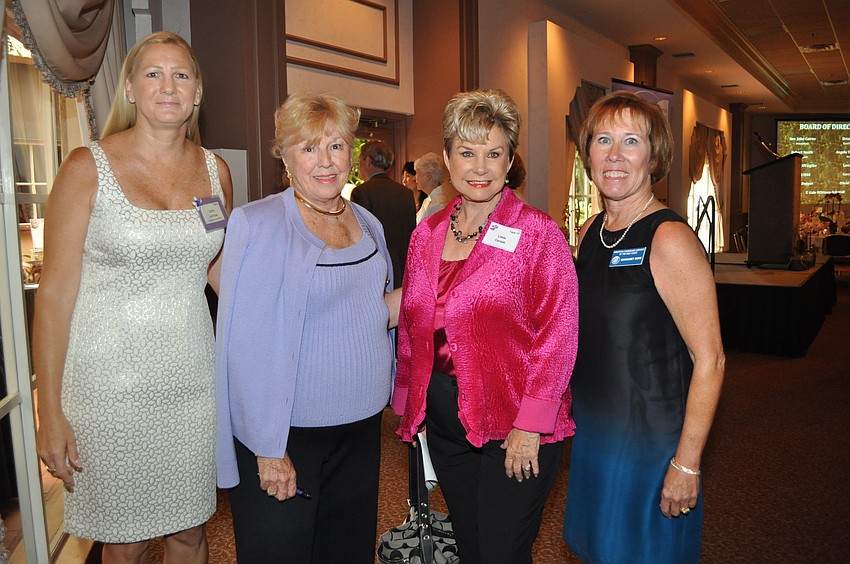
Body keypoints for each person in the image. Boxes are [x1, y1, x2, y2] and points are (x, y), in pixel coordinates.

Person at [33, 31, 232, 562]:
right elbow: (52, 297)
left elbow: (216, 267)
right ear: (129, 87)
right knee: (128, 542)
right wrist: (48, 411)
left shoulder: (216, 173)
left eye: (181, 74)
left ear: (197, 91)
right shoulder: (85, 167)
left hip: (192, 384)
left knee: (190, 531)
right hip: (108, 390)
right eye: (153, 73)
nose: (168, 86)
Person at [392, 89, 579, 564]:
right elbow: (415, 324)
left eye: (493, 154)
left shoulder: (539, 233)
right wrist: (411, 407)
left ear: (510, 159)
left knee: (501, 551)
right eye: (468, 153)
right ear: (449, 157)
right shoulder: (427, 233)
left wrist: (531, 423)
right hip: (444, 420)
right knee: (471, 546)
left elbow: (558, 335)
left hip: (514, 423)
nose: (480, 167)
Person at [215, 92, 399, 564]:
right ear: (285, 155)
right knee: (282, 552)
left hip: (360, 426)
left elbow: (373, 309)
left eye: (335, 146)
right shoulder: (257, 224)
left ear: (351, 154)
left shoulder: (368, 222)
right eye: (308, 147)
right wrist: (267, 447)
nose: (325, 161)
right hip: (288, 432)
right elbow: (242, 346)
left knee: (346, 551)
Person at [563, 91, 725, 563]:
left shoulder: (670, 238)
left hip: (651, 449)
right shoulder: (591, 231)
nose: (615, 155)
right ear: (588, 153)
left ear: (654, 157)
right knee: (595, 549)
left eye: (631, 141)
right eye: (603, 140)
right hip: (595, 436)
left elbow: (710, 360)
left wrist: (687, 463)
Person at [351, 140, 417, 288]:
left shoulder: (362, 192)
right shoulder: (405, 193)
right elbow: (412, 235)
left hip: (375, 272)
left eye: (359, 160)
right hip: (402, 268)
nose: (358, 165)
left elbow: (361, 238)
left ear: (367, 160)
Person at [414, 151, 449, 222]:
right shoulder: (428, 200)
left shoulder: (438, 204)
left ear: (428, 176)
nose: (414, 178)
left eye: (417, 172)